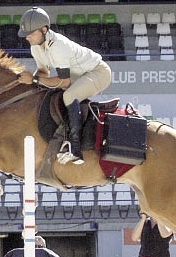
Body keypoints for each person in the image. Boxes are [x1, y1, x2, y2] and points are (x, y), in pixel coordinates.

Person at [17, 7, 112, 165]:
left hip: (98, 73)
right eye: (26, 34)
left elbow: (64, 82)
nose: (27, 37)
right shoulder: (35, 47)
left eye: (31, 33)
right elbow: (43, 72)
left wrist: (33, 80)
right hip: (78, 76)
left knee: (68, 95)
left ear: (44, 30)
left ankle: (75, 149)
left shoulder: (58, 45)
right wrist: (25, 82)